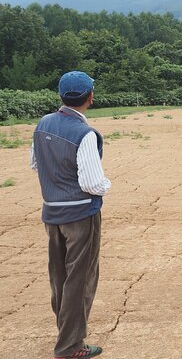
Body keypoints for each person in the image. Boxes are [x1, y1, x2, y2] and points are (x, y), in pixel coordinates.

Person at [31, 71, 111, 359]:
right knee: (80, 278)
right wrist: (106, 186)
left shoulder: (43, 124)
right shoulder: (84, 134)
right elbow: (91, 183)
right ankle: (70, 345)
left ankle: (65, 331)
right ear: (90, 97)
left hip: (51, 213)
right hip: (80, 215)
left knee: (60, 276)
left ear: (61, 96)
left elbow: (34, 163)